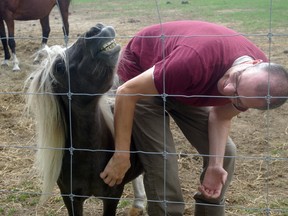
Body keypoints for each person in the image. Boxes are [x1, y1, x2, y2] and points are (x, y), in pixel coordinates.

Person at [100, 20, 288, 215]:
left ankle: (208, 210)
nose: (227, 89)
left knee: (226, 154)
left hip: (185, 83)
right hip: (143, 76)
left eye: (237, 99)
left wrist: (215, 166)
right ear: (253, 64)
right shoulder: (194, 60)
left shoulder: (259, 86)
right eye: (237, 79)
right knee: (163, 159)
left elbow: (221, 117)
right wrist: (121, 155)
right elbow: (127, 92)